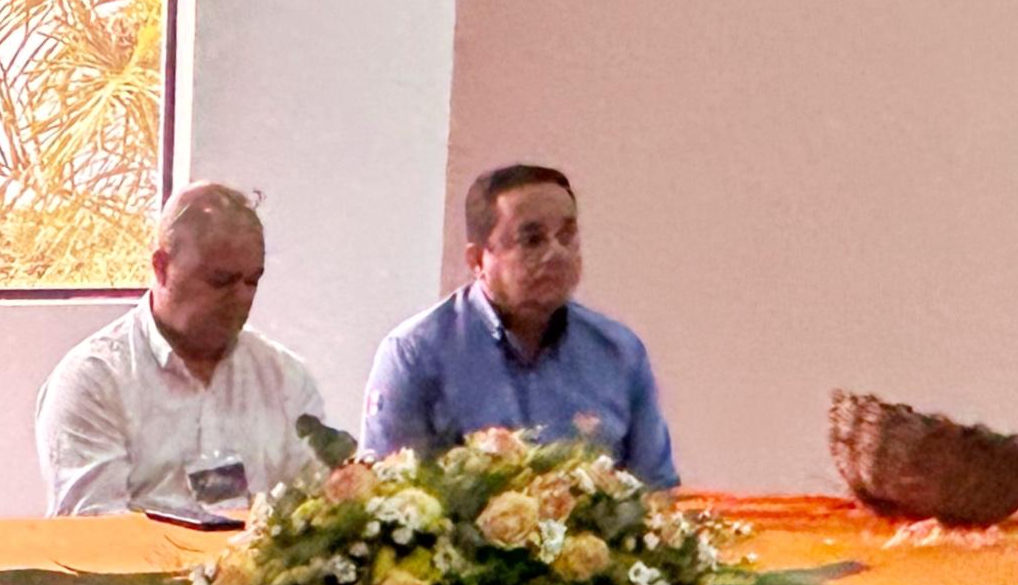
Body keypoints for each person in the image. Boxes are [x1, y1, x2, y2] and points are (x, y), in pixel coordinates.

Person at [362, 163, 678, 481]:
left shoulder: (619, 353)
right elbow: (388, 492)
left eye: (567, 237)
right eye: (532, 240)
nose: (556, 254)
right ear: (477, 260)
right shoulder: (415, 354)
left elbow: (659, 491)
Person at [35, 183, 328, 516]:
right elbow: (95, 530)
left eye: (252, 281)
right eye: (220, 280)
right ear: (161, 267)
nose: (242, 297)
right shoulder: (95, 380)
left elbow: (321, 512)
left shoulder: (285, 378)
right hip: (145, 553)